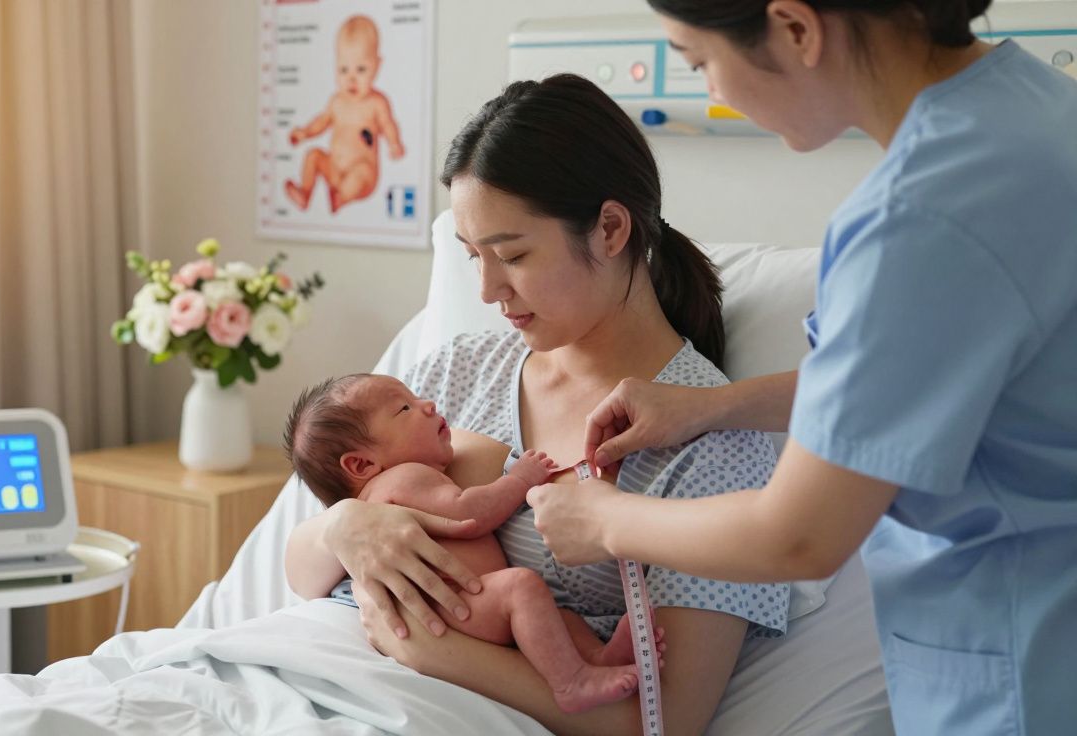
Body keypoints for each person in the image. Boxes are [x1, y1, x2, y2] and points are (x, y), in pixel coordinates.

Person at [526, 2, 1077, 734]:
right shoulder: (1036, 113)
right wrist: (713, 407)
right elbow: (923, 379)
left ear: (795, 28)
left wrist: (607, 520)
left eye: (699, 62)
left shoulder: (917, 219)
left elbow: (799, 535)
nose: (716, 91)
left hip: (1020, 669)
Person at [285, 73, 790, 735]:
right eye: (472, 258)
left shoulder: (712, 435)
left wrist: (428, 647)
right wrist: (344, 528)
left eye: (512, 255)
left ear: (610, 229)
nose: (490, 289)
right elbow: (297, 566)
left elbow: (657, 718)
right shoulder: (455, 373)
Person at [283, 373, 647, 713]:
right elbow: (467, 514)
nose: (428, 404)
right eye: (404, 408)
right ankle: (571, 682)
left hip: (458, 605)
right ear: (362, 465)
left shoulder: (389, 489)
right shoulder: (403, 479)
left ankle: (595, 661)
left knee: (556, 617)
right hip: (452, 605)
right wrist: (520, 480)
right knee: (522, 588)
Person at [284, 14, 404, 213]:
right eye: (343, 69)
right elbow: (321, 122)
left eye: (361, 69)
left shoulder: (377, 102)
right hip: (334, 169)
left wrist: (394, 143)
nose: (351, 78)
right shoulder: (337, 101)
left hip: (362, 173)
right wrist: (304, 133)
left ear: (377, 66)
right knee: (313, 155)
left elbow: (388, 124)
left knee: (361, 172)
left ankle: (340, 198)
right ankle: (305, 193)